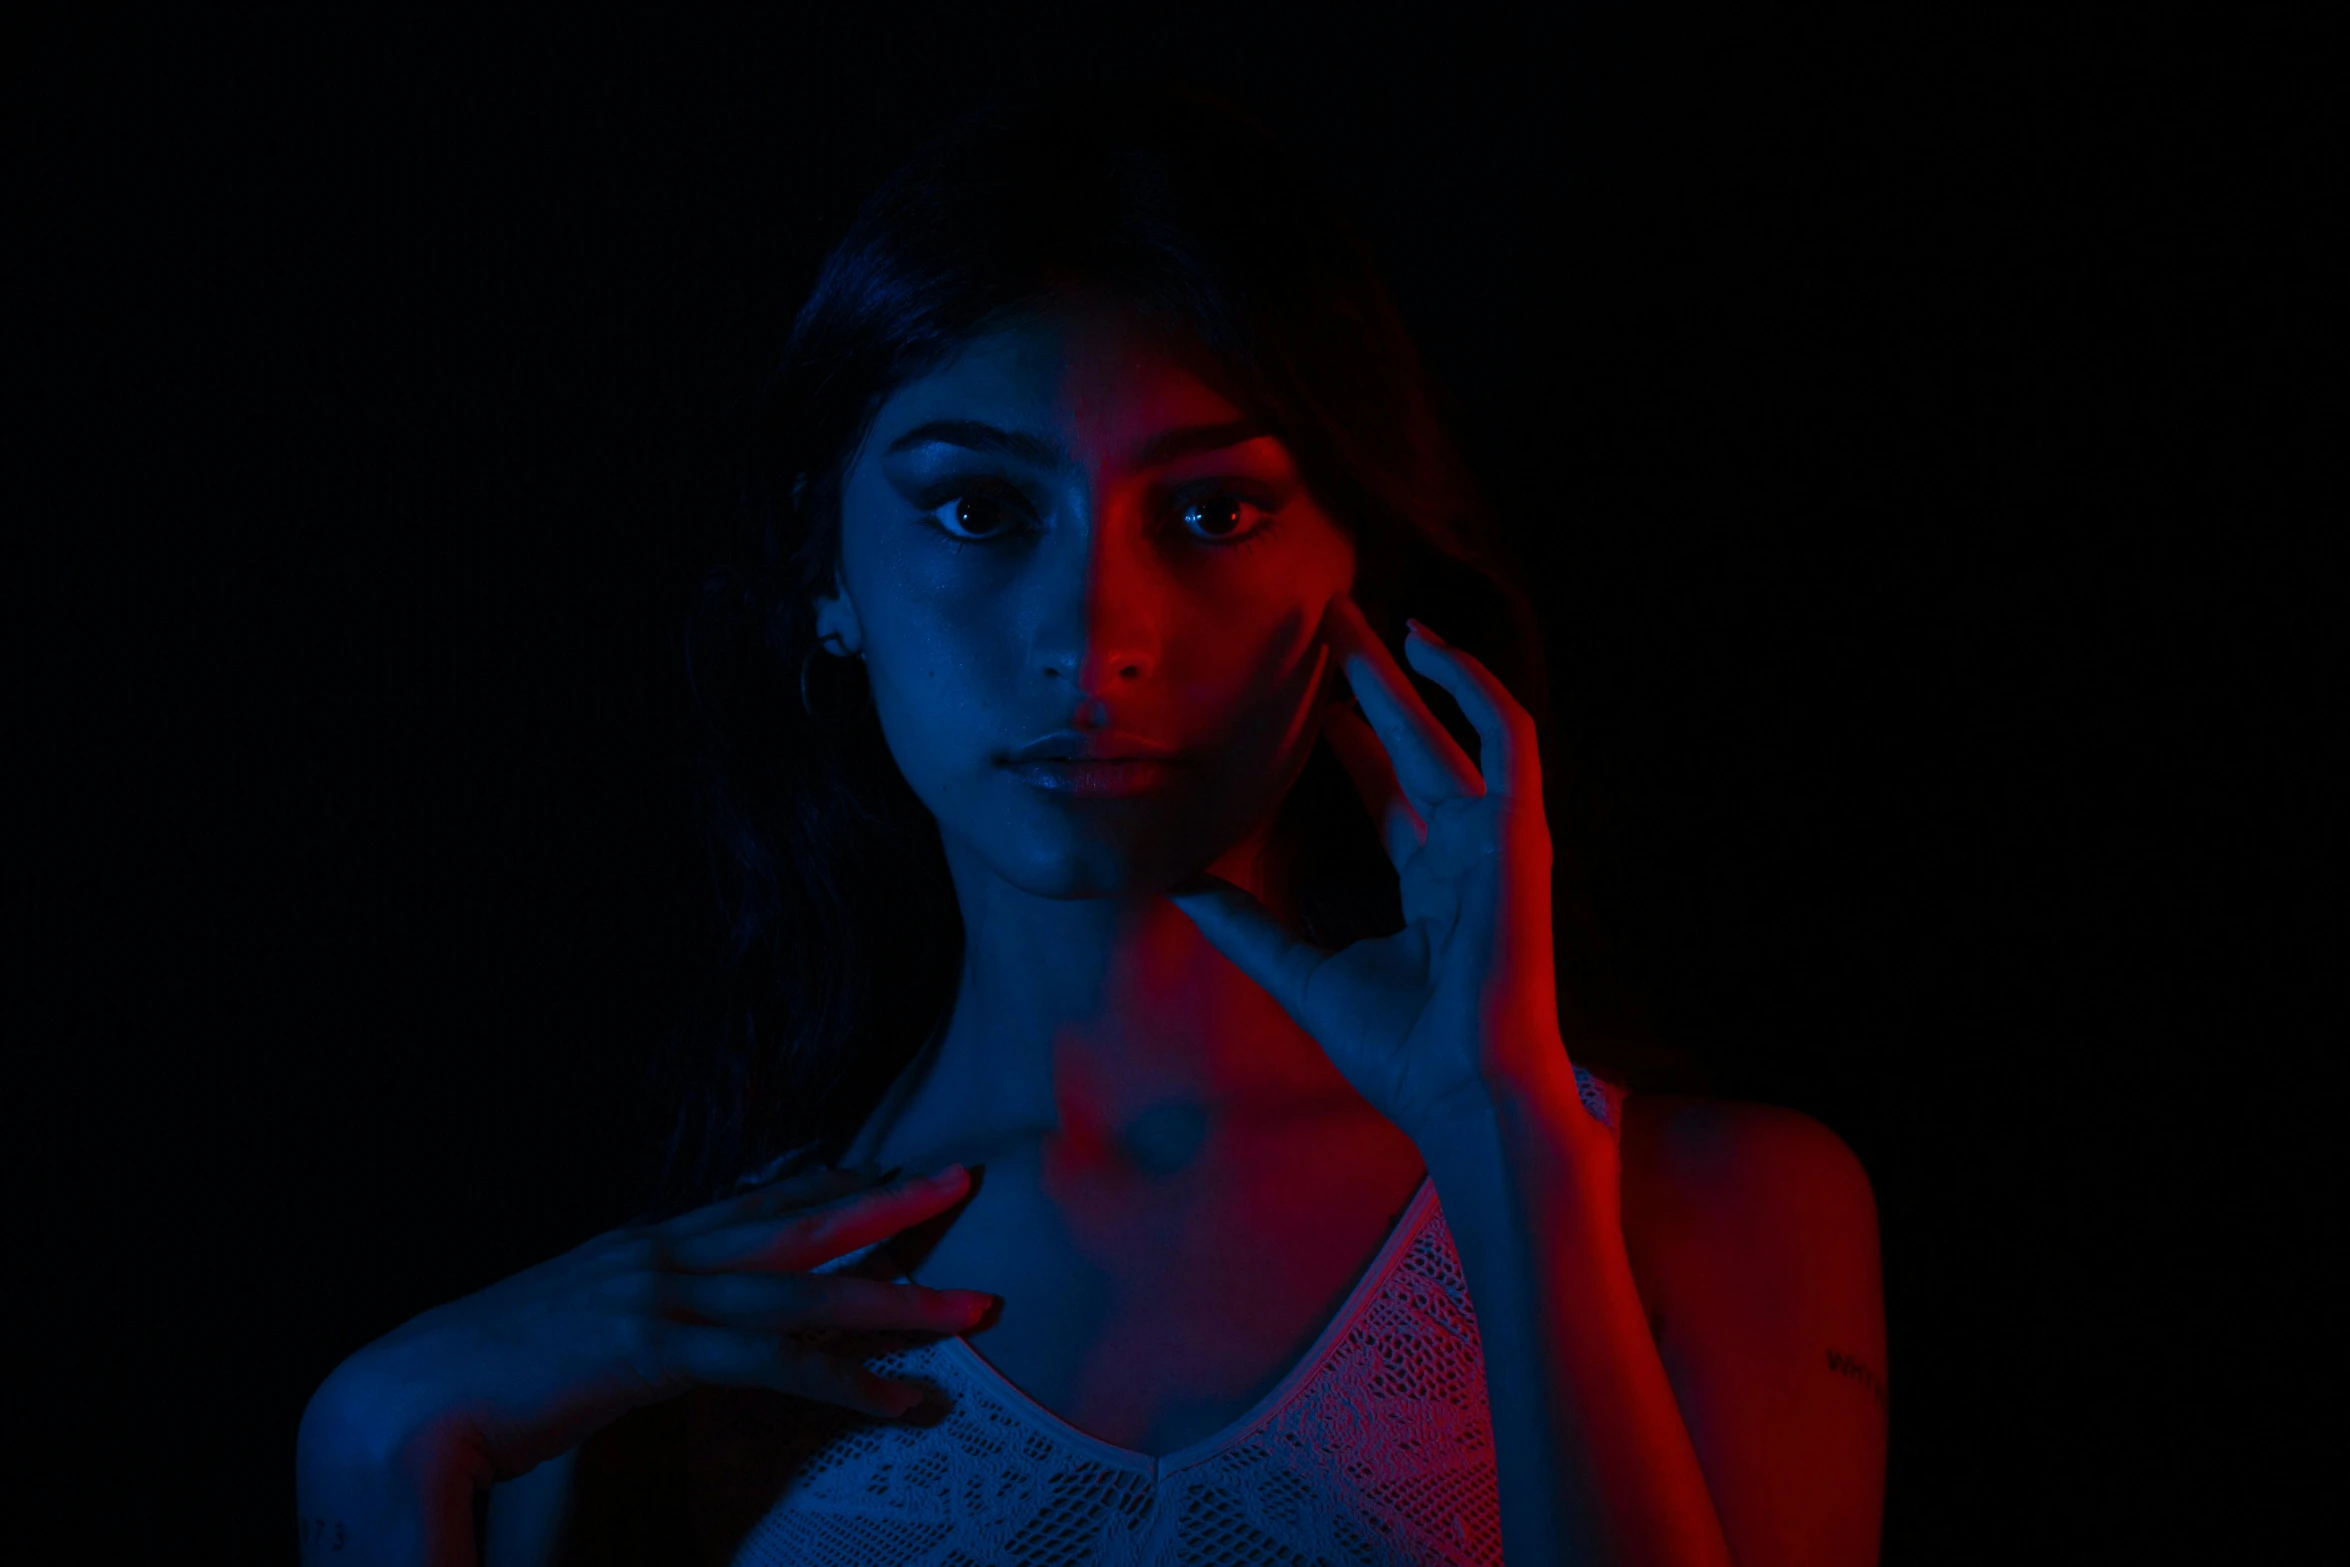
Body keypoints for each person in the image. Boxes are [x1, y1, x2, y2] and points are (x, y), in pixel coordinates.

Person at [296, 88, 1888, 1567]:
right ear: (826, 575)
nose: (1093, 633)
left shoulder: (1707, 1207)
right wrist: (374, 1452)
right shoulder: (674, 1340)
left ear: (1359, 572)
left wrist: (1501, 1139)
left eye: (1212, 513)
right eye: (979, 510)